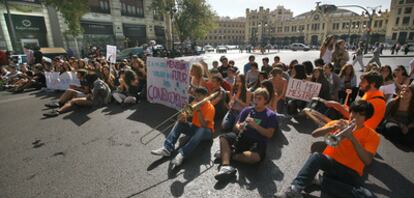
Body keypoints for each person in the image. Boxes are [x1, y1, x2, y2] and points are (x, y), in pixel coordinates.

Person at [275, 100, 379, 198]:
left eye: (360, 115)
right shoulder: (340, 123)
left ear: (366, 118)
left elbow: (367, 160)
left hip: (351, 174)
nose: (355, 117)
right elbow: (314, 134)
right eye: (353, 112)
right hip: (332, 165)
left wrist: (352, 138)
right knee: (317, 156)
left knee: (367, 196)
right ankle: (294, 189)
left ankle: (321, 181)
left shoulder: (372, 135)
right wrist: (332, 128)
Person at [214, 88, 278, 181]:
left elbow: (269, 134)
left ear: (265, 100)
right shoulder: (247, 110)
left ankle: (229, 154)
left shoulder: (271, 115)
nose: (255, 101)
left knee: (255, 158)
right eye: (255, 98)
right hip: (243, 137)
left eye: (259, 99)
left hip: (257, 141)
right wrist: (240, 126)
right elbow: (235, 127)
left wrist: (255, 126)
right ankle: (226, 166)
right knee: (223, 137)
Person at [151, 87, 215, 168]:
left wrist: (198, 111)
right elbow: (182, 116)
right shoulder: (195, 102)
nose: (196, 98)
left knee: (201, 129)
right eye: (196, 95)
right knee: (179, 123)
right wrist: (182, 117)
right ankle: (167, 148)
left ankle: (182, 154)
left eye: (199, 96)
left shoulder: (211, 108)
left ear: (205, 96)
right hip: (195, 127)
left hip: (207, 132)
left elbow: (204, 125)